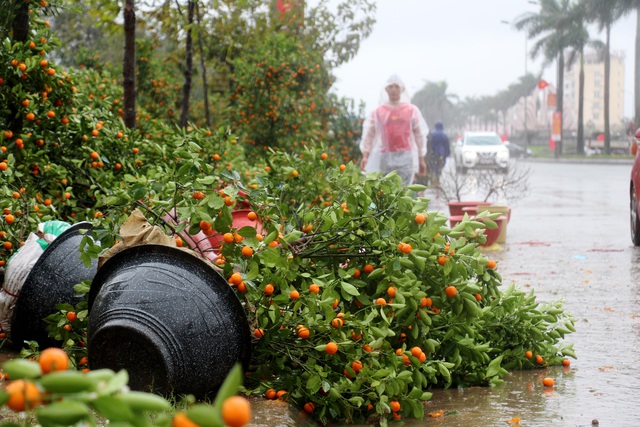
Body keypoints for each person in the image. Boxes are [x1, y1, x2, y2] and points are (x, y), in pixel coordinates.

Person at [359, 74, 428, 186]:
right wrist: (365, 156)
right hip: (386, 157)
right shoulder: (379, 112)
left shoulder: (411, 110)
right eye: (390, 87)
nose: (393, 90)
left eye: (396, 87)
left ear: (402, 89)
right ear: (386, 89)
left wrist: (421, 159)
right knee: (386, 191)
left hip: (406, 157)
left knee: (403, 191)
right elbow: (369, 134)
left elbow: (419, 135)